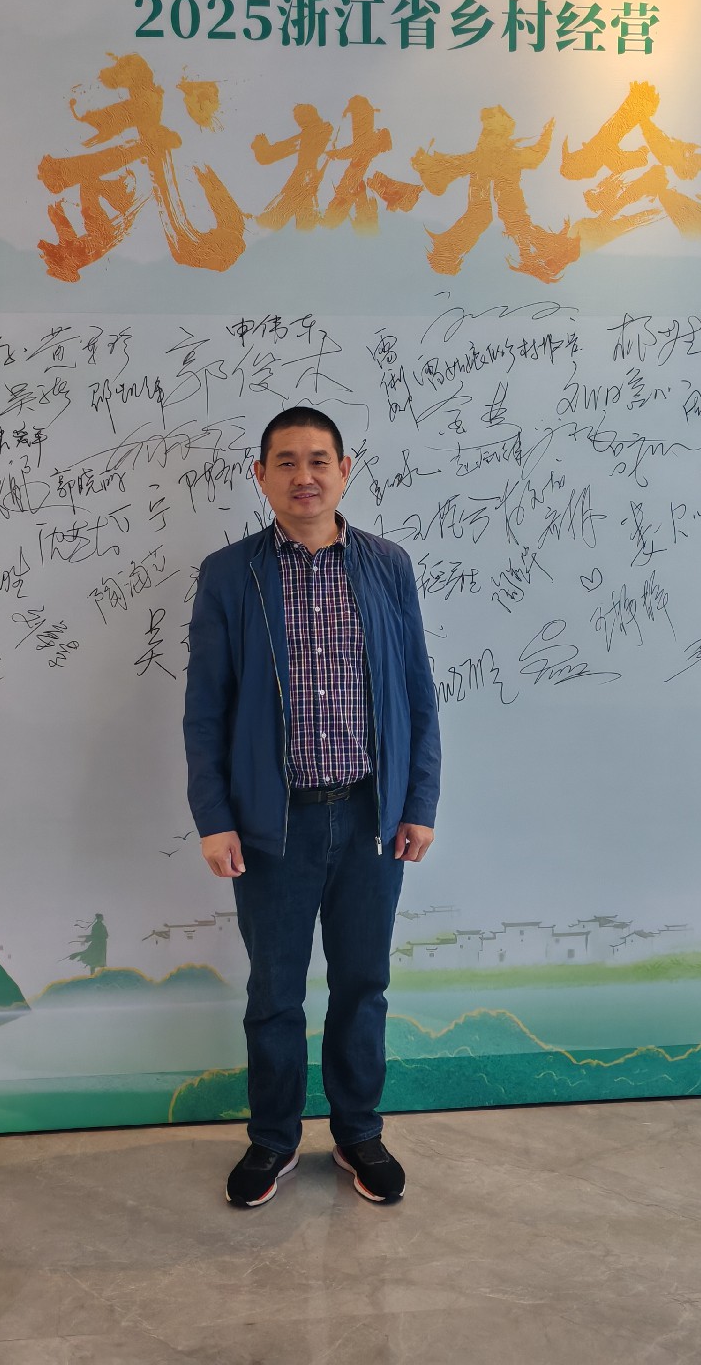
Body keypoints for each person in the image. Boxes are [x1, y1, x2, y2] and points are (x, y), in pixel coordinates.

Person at [184, 406, 440, 1207]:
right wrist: (214, 818)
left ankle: (359, 1132)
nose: (305, 477)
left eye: (319, 460)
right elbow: (205, 709)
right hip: (274, 826)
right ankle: (274, 1138)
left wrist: (419, 802)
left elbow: (418, 696)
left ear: (345, 470)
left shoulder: (387, 566)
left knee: (363, 984)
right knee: (275, 994)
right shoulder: (230, 575)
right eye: (287, 462)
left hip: (370, 818)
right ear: (260, 475)